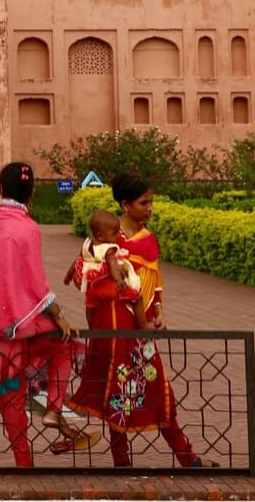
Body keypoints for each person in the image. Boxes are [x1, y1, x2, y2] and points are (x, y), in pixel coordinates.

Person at [0, 161, 83, 466]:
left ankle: (24, 462)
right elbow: (37, 283)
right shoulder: (28, 228)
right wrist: (60, 314)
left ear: (1, 189)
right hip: (21, 323)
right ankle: (53, 409)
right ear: (32, 192)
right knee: (66, 344)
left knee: (10, 392)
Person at [70, 175, 200, 469]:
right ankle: (125, 461)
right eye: (145, 202)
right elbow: (87, 280)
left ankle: (185, 456)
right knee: (116, 388)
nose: (151, 208)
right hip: (116, 322)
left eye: (151, 201)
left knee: (156, 388)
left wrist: (159, 309)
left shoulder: (147, 238)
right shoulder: (107, 240)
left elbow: (154, 278)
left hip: (141, 325)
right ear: (125, 205)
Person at [66, 210, 141, 314]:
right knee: (137, 297)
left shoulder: (87, 244)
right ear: (100, 236)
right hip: (106, 286)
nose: (119, 234)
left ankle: (92, 327)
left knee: (89, 305)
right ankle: (144, 323)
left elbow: (78, 261)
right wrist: (119, 280)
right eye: (115, 233)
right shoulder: (109, 249)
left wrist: (68, 276)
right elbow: (112, 265)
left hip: (91, 287)